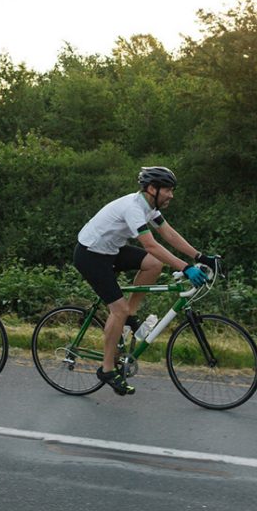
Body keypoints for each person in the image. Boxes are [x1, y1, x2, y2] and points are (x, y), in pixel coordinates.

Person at [73, 166, 218, 395]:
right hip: (91, 254)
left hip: (111, 250)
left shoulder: (149, 206)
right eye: (168, 190)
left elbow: (168, 233)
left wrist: (199, 256)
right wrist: (185, 267)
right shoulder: (133, 209)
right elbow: (151, 245)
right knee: (117, 310)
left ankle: (130, 315)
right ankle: (107, 369)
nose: (171, 195)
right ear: (152, 188)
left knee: (153, 264)